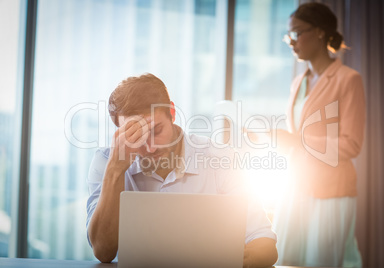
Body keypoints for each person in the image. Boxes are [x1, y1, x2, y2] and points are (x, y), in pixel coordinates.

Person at [85, 73, 278, 267]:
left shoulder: (222, 158)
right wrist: (115, 170)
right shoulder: (105, 162)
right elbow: (103, 251)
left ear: (172, 113)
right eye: (135, 136)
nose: (150, 148)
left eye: (156, 130)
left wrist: (228, 261)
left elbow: (265, 244)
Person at [268, 2, 366, 267]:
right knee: (283, 259)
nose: (291, 42)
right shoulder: (299, 82)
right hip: (295, 187)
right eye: (288, 36)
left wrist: (296, 142)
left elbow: (351, 145)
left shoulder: (348, 79)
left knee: (319, 262)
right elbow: (298, 136)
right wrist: (273, 140)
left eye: (297, 33)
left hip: (331, 191)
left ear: (320, 32)